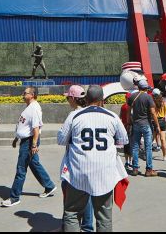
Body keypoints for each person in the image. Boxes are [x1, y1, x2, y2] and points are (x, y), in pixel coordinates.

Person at [58, 85, 129, 232]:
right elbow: (123, 140)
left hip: (78, 172)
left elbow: (61, 140)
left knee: (72, 213)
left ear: (86, 99)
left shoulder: (75, 116)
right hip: (105, 173)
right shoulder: (112, 117)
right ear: (102, 100)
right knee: (104, 217)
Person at [1, 86, 56, 207]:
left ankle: (14, 197)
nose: (22, 94)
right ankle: (49, 186)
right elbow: (23, 125)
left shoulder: (35, 108)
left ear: (32, 95)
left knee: (21, 169)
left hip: (29, 142)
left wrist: (34, 145)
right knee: (34, 164)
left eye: (25, 93)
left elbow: (36, 129)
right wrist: (16, 138)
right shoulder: (29, 107)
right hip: (25, 140)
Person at [61, 85, 93, 233]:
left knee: (71, 202)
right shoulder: (93, 113)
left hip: (75, 162)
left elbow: (62, 139)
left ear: (73, 98)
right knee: (88, 194)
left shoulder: (73, 115)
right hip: (92, 161)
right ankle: (87, 227)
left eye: (68, 97)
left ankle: (72, 226)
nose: (67, 100)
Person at [128, 79, 160, 177]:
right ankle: (149, 169)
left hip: (136, 124)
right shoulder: (148, 97)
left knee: (135, 146)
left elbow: (128, 111)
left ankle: (135, 168)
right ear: (146, 88)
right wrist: (157, 125)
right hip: (146, 124)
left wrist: (129, 122)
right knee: (148, 147)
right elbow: (153, 112)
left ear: (138, 87)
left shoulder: (132, 96)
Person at [152, 89, 166, 162]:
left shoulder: (152, 103)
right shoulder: (163, 102)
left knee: (151, 139)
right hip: (162, 121)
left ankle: (147, 153)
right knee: (163, 139)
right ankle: (165, 156)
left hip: (154, 121)